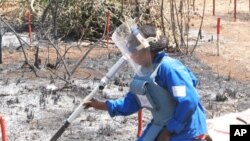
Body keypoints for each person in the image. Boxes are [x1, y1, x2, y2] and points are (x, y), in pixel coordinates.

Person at [84, 21, 211, 141]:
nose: (132, 55)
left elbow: (188, 102)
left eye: (134, 51)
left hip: (186, 130)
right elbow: (132, 103)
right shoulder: (144, 71)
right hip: (162, 124)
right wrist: (100, 105)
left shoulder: (170, 68)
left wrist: (169, 131)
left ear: (146, 51)